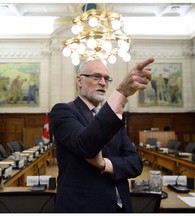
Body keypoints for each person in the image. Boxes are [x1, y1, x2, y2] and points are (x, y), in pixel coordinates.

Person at [50, 57, 154, 213]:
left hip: (121, 207)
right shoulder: (63, 111)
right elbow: (85, 145)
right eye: (96, 77)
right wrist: (121, 92)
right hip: (83, 208)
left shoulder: (113, 118)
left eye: (106, 79)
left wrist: (104, 164)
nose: (103, 83)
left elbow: (136, 164)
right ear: (79, 80)